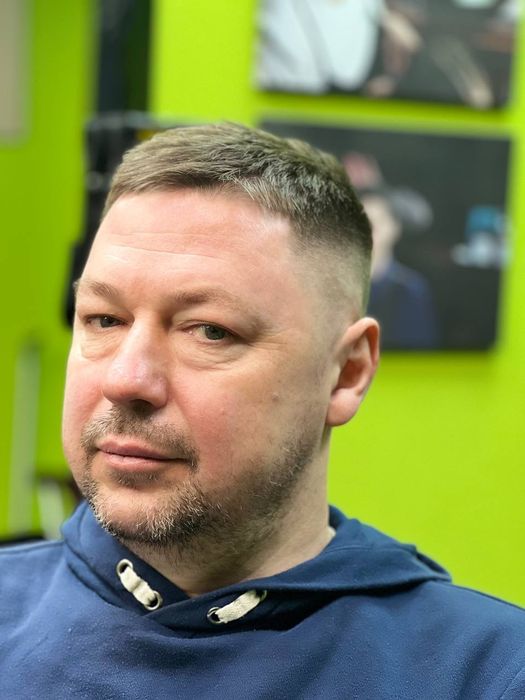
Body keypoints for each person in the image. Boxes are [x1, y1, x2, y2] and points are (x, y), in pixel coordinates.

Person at [0, 123, 523, 699]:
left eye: (210, 331)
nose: (125, 380)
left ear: (347, 373)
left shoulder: (485, 674)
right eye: (104, 319)